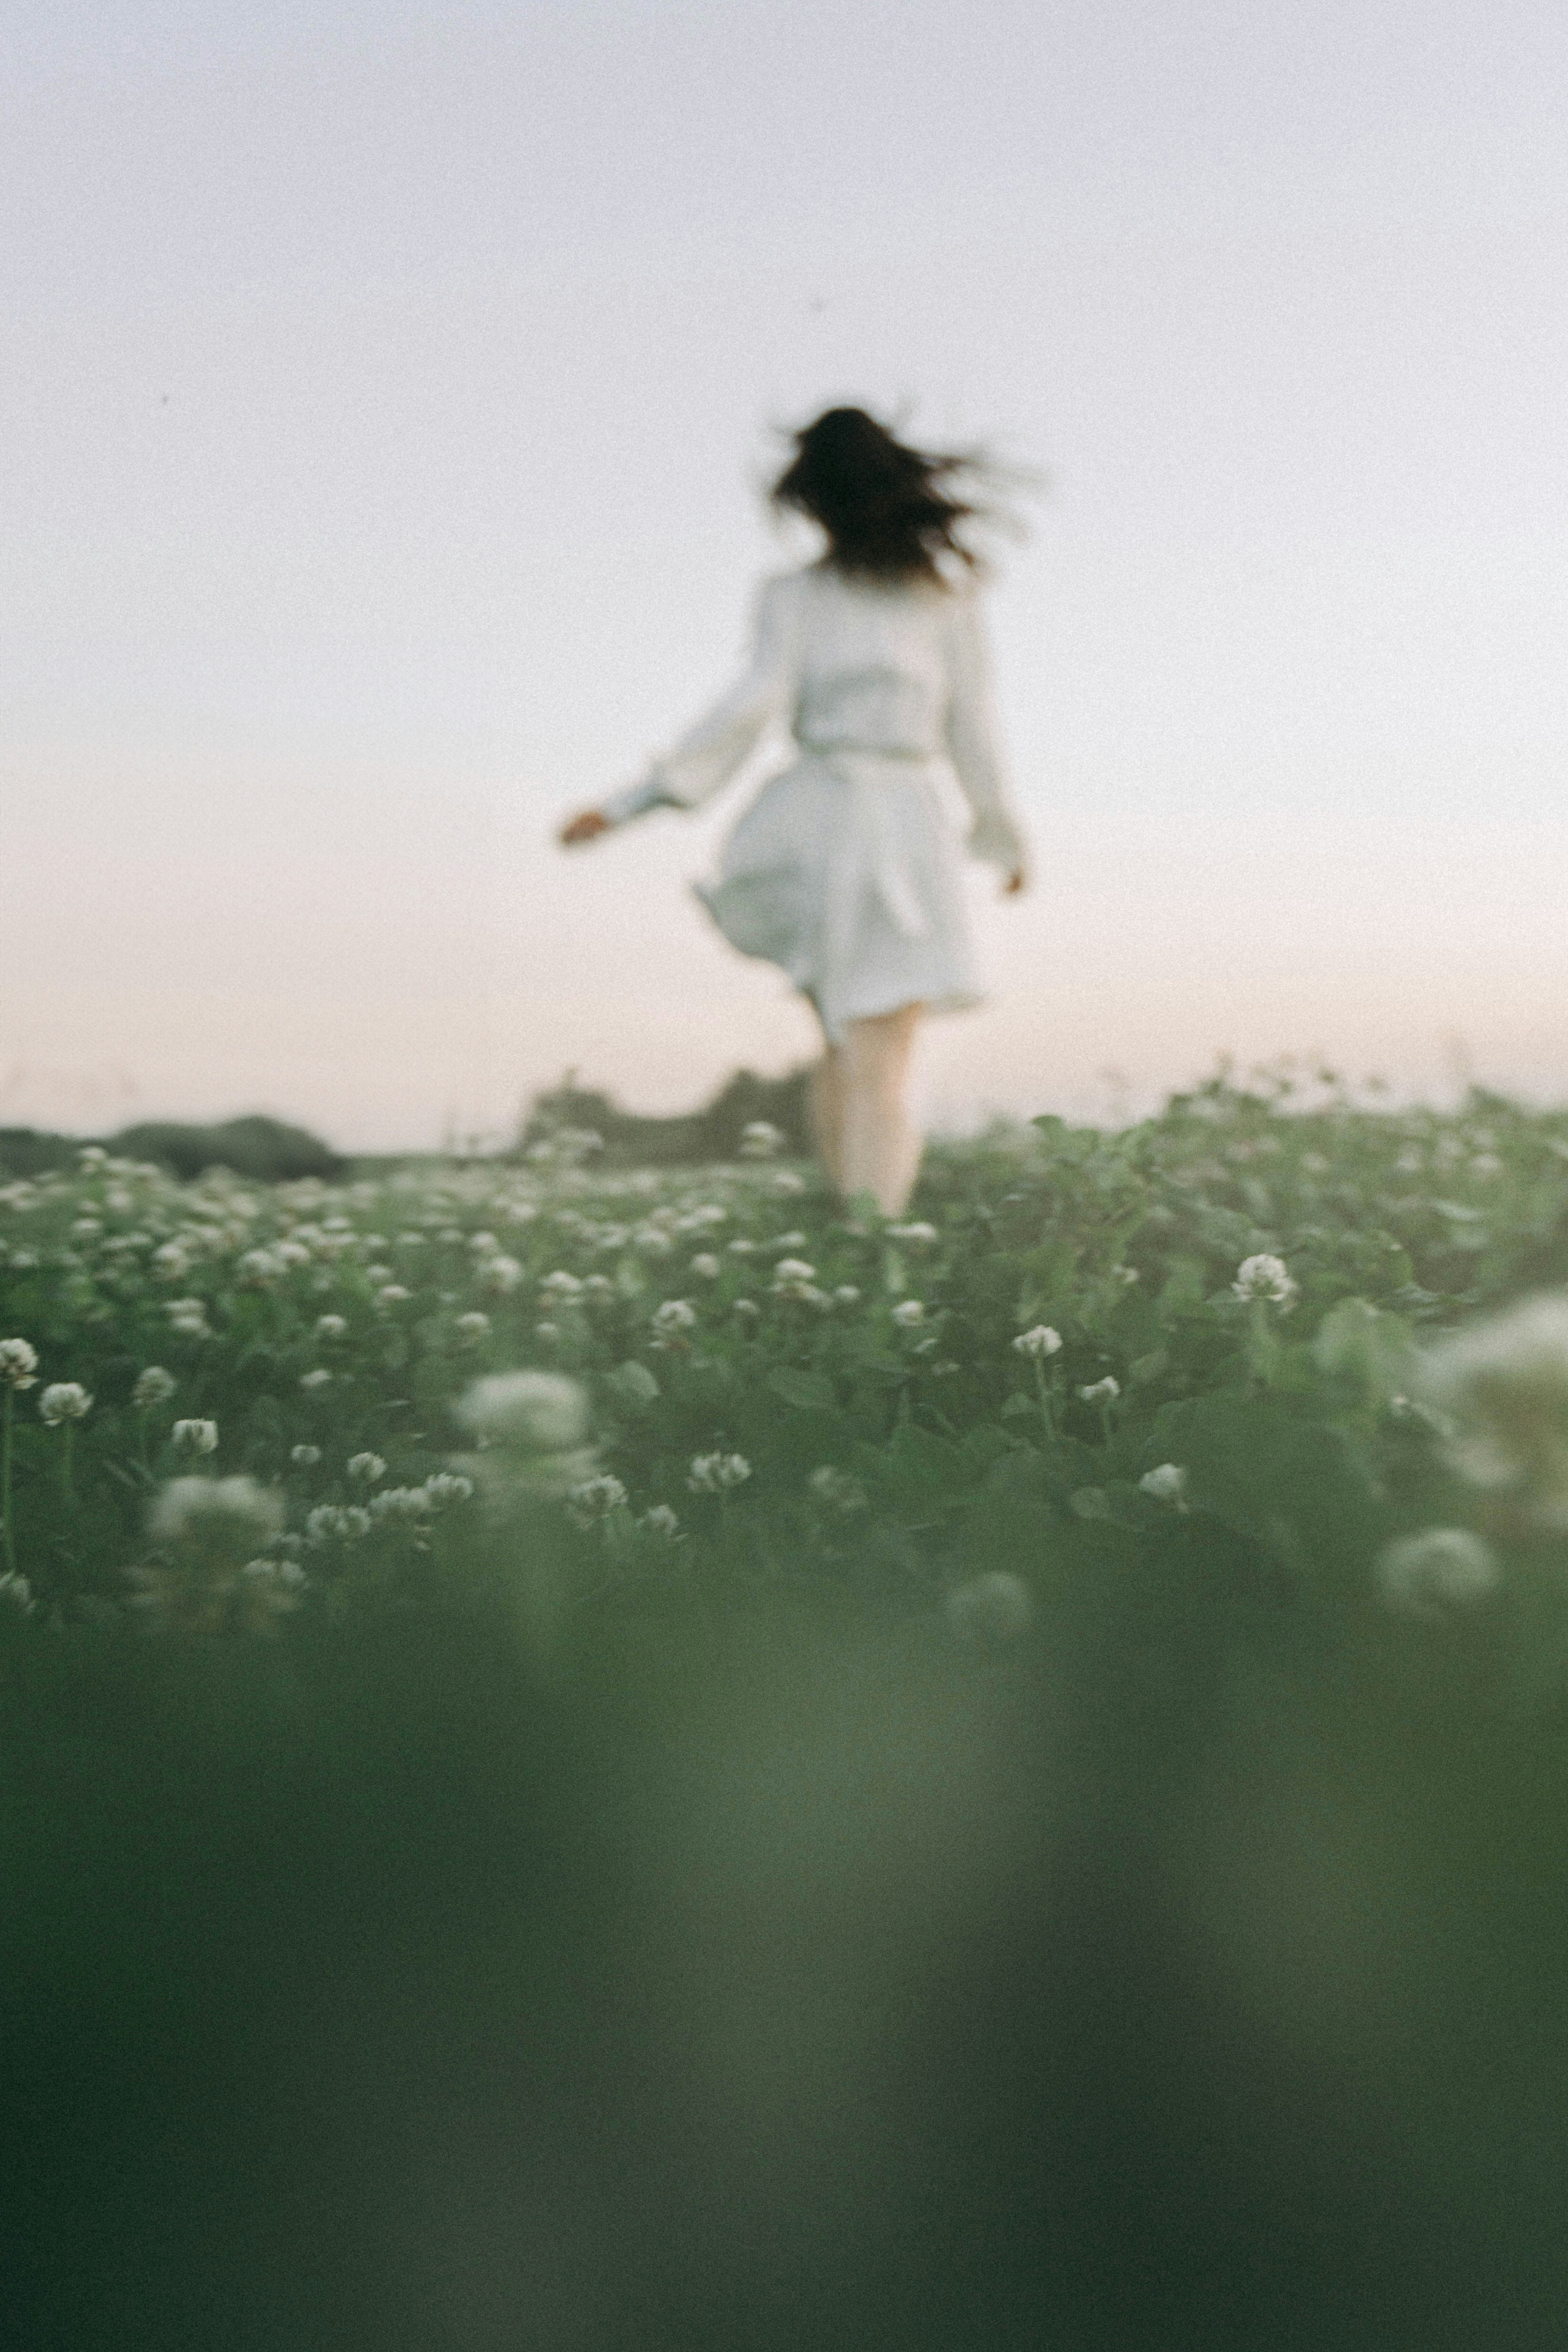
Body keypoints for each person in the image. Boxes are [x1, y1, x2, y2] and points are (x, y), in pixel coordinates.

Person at [559, 405, 1030, 1217]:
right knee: (867, 1053)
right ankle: (871, 1254)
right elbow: (756, 704)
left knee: (857, 1052)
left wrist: (999, 834)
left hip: (882, 824)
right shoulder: (800, 596)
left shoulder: (943, 603)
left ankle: (854, 1234)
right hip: (833, 824)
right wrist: (631, 802)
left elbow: (969, 727)